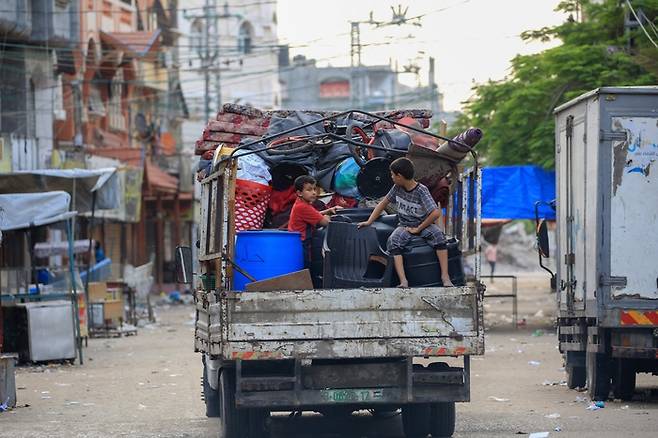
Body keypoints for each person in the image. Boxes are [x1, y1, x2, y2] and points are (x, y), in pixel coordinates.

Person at [358, 157, 453, 288]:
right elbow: (383, 203)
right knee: (393, 242)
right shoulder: (397, 188)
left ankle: (445, 277)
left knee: (439, 237)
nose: (391, 177)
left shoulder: (421, 191)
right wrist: (369, 221)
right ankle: (403, 281)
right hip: (404, 225)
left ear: (400, 176)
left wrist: (419, 228)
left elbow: (435, 213)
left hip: (423, 223)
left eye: (392, 174)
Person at [288, 175, 342, 266]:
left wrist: (328, 210)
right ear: (299, 193)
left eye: (314, 189)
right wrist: (328, 215)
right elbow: (326, 223)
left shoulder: (301, 203)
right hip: (302, 243)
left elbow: (314, 214)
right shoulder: (303, 207)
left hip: (298, 242)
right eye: (309, 190)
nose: (313, 193)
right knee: (306, 267)